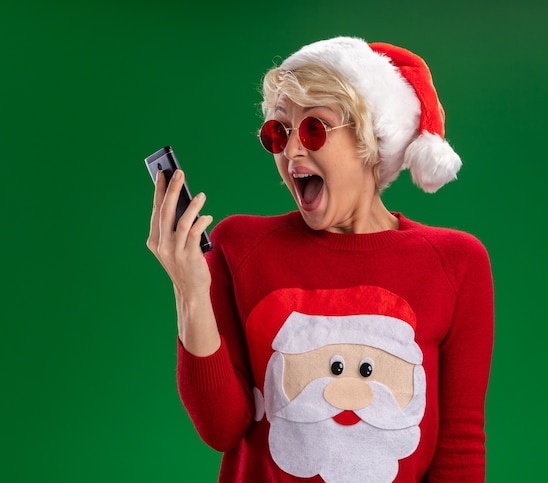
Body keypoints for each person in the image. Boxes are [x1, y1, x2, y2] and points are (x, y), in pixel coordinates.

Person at [147, 36, 494, 482]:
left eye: (314, 129)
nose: (291, 152)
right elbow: (221, 428)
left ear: (372, 139)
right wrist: (190, 289)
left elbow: (459, 448)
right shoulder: (240, 246)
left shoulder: (455, 262)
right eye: (279, 131)